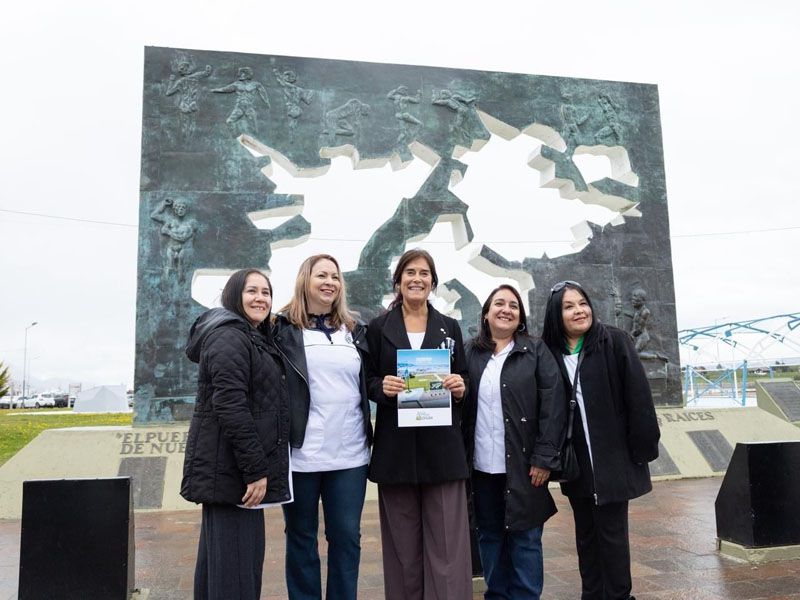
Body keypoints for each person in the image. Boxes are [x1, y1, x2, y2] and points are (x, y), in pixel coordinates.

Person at [541, 280, 660, 600]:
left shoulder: (614, 341)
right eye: (569, 306)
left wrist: (641, 450)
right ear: (556, 314)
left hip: (613, 460)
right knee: (586, 536)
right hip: (577, 463)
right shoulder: (550, 352)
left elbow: (639, 398)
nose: (579, 311)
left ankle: (620, 595)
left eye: (582, 303)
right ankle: (591, 594)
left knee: (612, 535)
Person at [365, 248, 471, 600]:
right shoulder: (379, 328)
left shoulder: (450, 327)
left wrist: (459, 388)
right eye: (410, 272)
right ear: (398, 281)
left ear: (433, 282)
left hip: (442, 450)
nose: (417, 278)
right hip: (396, 451)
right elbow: (365, 379)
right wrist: (381, 387)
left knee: (446, 547)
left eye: (424, 273)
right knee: (402, 550)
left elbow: (465, 380)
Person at [181, 268, 290, 600]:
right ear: (233, 295)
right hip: (235, 474)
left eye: (266, 293)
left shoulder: (246, 334)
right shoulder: (231, 335)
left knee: (221, 568)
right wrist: (255, 470)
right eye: (251, 291)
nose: (260, 298)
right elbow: (231, 406)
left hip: (229, 472)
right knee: (237, 572)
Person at [273, 254, 373, 600]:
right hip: (301, 453)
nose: (330, 282)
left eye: (335, 276)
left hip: (350, 454)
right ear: (305, 280)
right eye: (322, 275)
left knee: (346, 537)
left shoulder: (355, 330)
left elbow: (373, 379)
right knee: (301, 536)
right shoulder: (281, 327)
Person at [463, 284, 566, 599]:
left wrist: (544, 457)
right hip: (481, 467)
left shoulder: (535, 350)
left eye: (513, 305)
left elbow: (554, 404)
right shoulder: (469, 353)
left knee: (526, 539)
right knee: (490, 538)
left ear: (520, 316)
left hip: (525, 466)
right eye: (499, 303)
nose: (506, 309)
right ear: (486, 313)